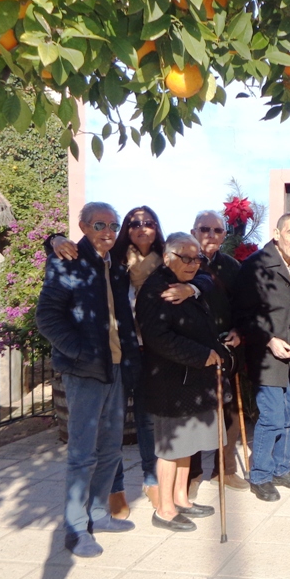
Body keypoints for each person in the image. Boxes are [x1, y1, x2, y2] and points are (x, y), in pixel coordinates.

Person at [50, 206, 194, 517]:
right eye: (135, 223)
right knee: (105, 432)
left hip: (150, 352)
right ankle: (113, 489)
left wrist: (193, 286)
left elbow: (201, 274)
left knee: (144, 421)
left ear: (157, 228)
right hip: (113, 353)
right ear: (127, 228)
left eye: (149, 222)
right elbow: (71, 260)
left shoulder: (166, 263)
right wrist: (54, 238)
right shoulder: (113, 260)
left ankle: (151, 480)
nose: (143, 227)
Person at [36, 202, 141, 558]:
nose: (108, 231)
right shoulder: (67, 262)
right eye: (99, 224)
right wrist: (79, 352)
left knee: (110, 449)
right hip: (85, 372)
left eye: (113, 224)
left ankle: (99, 514)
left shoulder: (114, 266)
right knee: (82, 454)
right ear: (83, 226)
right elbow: (47, 317)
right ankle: (76, 528)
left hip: (114, 369)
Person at [135, 233, 232, 531]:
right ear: (168, 257)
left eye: (196, 258)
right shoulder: (155, 289)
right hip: (170, 382)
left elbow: (208, 282)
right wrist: (202, 354)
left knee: (188, 444)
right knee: (171, 447)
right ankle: (164, 510)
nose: (193, 264)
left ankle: (181, 498)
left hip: (192, 380)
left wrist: (191, 288)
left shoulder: (191, 282)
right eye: (185, 258)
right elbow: (158, 338)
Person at [234, 212, 290, 501]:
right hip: (266, 354)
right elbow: (242, 315)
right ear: (277, 233)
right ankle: (261, 475)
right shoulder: (255, 266)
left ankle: (282, 468)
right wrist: (268, 340)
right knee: (272, 417)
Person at [189, 210, 246, 493]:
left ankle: (225, 469)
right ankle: (193, 474)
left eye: (217, 231)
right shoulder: (183, 263)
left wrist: (239, 331)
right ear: (193, 232)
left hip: (227, 348)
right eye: (204, 229)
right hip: (195, 350)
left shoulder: (233, 267)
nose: (211, 235)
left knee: (231, 410)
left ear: (225, 236)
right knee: (198, 411)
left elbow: (244, 307)